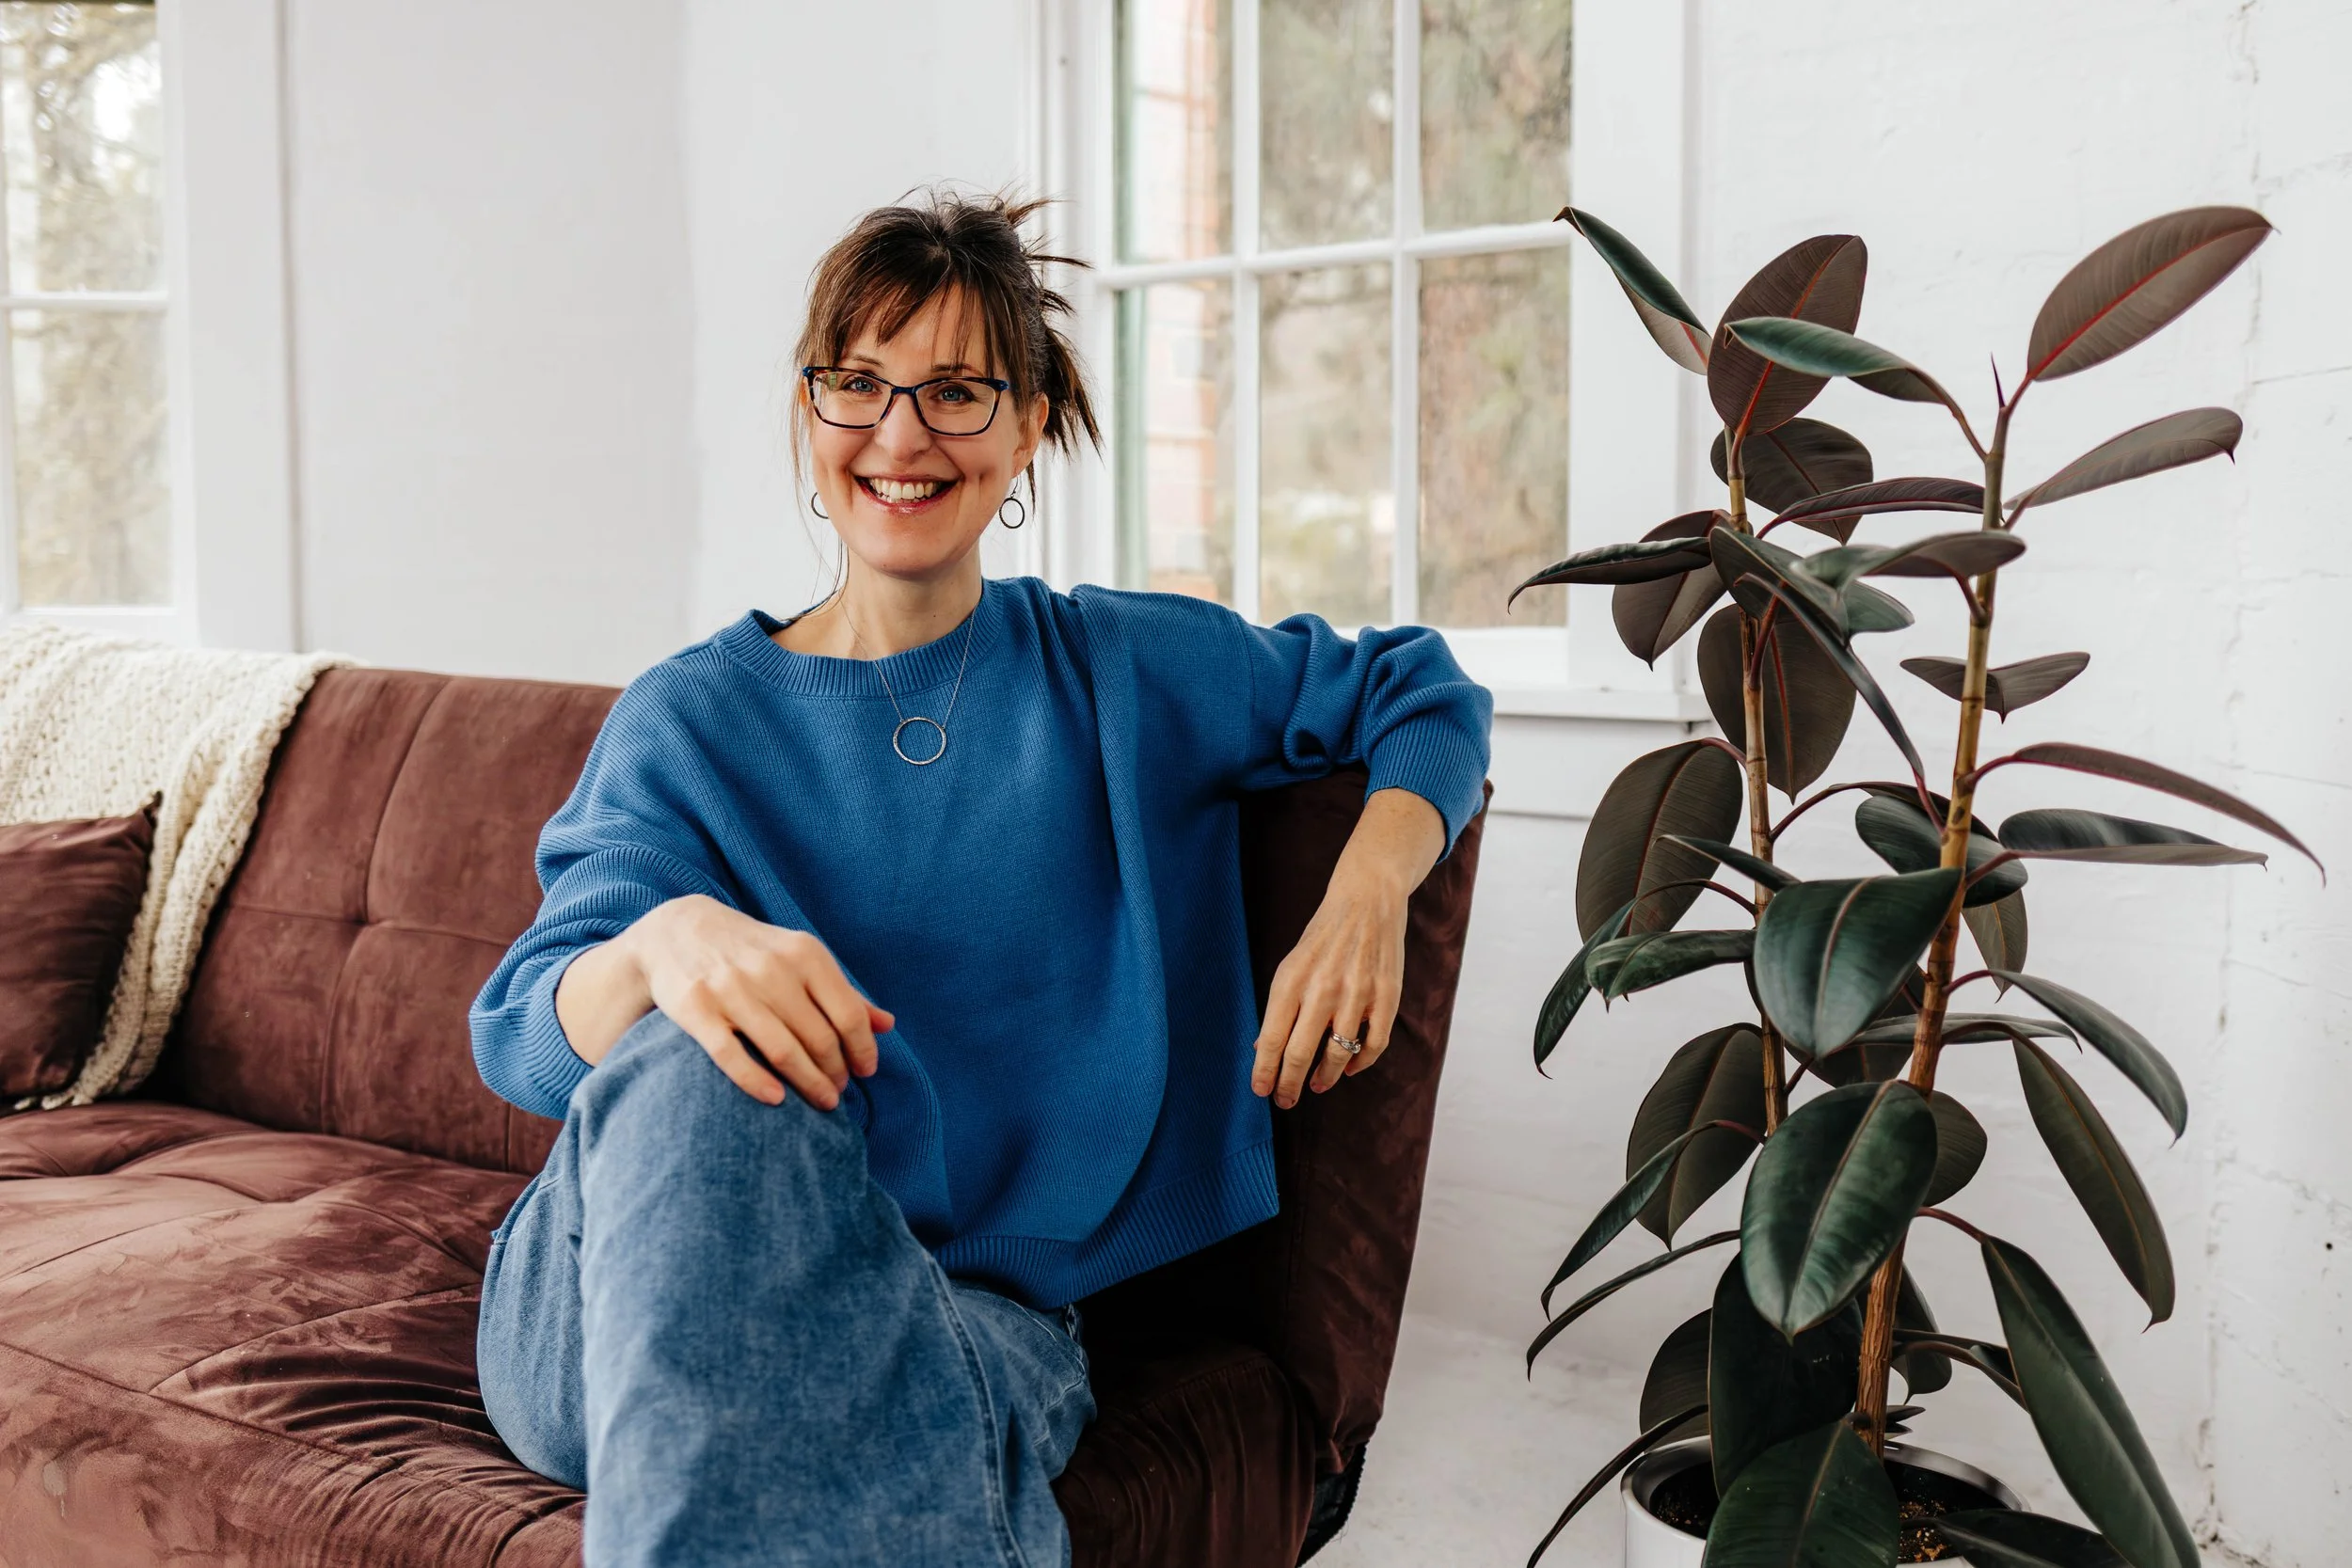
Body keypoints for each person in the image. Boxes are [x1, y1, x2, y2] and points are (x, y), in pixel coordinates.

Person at [469, 190, 1493, 1568]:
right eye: (860, 384)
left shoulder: (1121, 671)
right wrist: (665, 945)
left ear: (1025, 428)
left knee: (911, 1390)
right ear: (808, 410)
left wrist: (1371, 889)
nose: (901, 435)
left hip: (954, 1312)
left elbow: (1420, 693)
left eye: (955, 391)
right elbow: (524, 1027)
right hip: (600, 1303)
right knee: (703, 1065)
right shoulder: (690, 720)